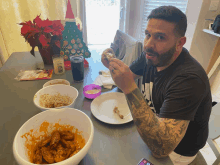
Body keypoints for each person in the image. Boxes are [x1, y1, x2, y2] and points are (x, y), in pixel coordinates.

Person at [101, 5, 212, 165]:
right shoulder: (152, 55)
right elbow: (127, 76)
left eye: (160, 37)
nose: (148, 44)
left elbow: (161, 149)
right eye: (148, 35)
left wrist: (130, 88)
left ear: (180, 43)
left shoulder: (189, 79)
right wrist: (112, 63)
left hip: (176, 152)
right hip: (153, 124)